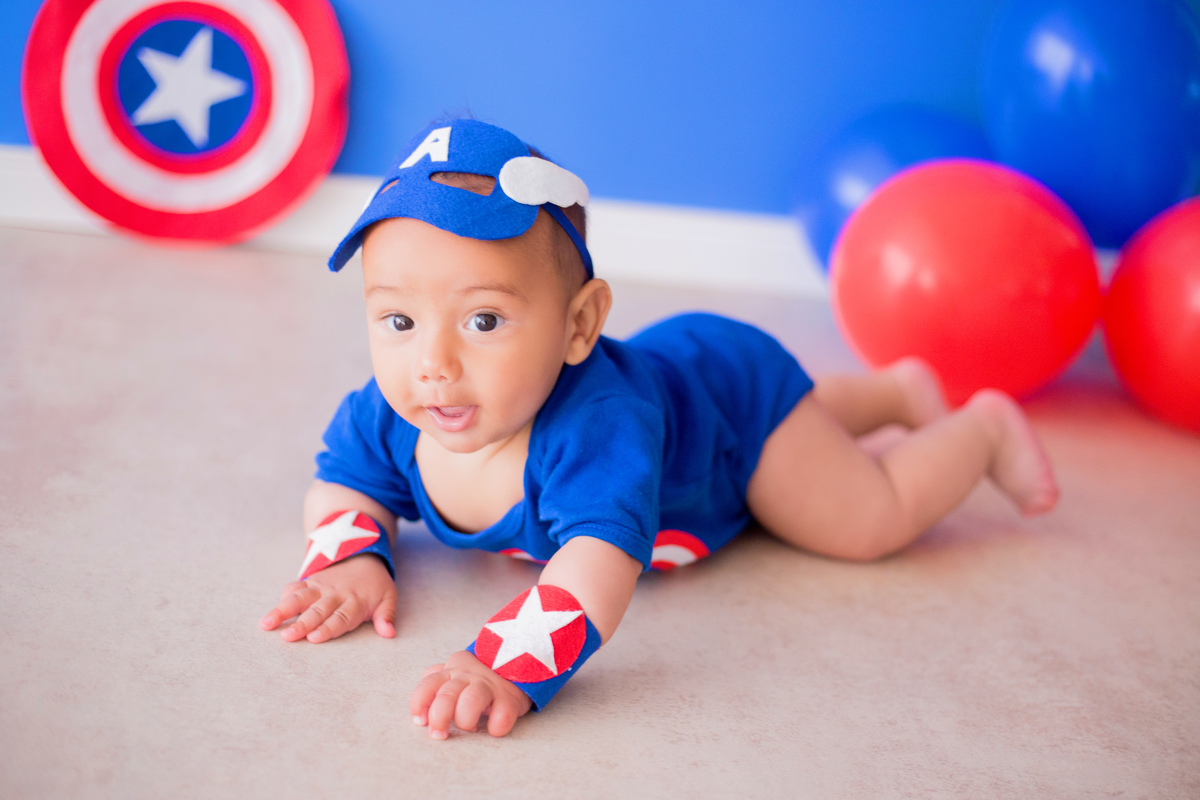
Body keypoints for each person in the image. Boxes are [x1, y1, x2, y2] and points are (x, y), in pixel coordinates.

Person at [259, 119, 1059, 740]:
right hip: (687, 391)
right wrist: (350, 556)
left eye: (484, 320)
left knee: (859, 516)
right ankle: (895, 392)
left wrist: (504, 664)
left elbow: (595, 567)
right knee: (800, 427)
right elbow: (346, 480)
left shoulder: (598, 429)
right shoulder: (390, 410)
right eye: (398, 320)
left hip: (737, 411)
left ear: (579, 326)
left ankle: (982, 429)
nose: (432, 364)